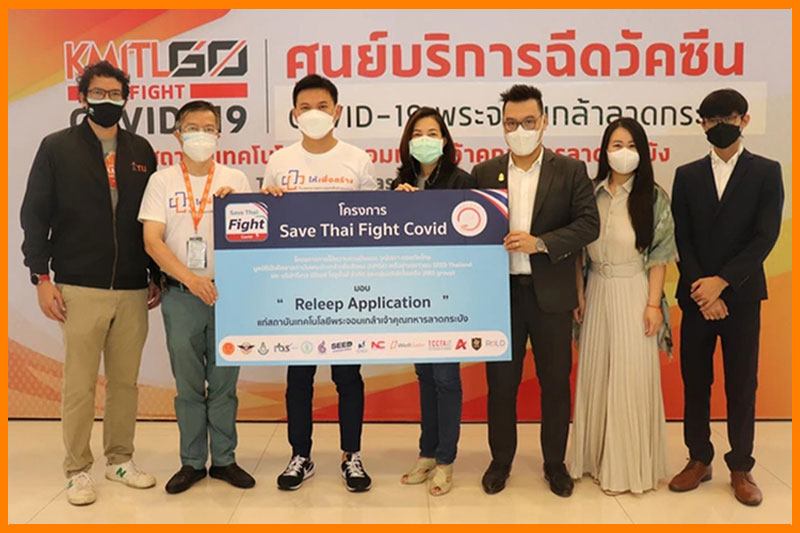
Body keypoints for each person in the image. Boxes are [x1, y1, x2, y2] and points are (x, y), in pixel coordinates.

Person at [20, 60, 162, 506]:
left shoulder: (141, 150)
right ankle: (77, 469)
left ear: (126, 99)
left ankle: (120, 459)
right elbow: (34, 215)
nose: (107, 101)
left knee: (125, 383)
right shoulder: (57, 147)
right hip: (79, 287)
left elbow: (153, 220)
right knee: (79, 385)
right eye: (98, 93)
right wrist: (41, 277)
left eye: (115, 94)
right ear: (83, 98)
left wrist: (154, 274)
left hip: (132, 288)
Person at [471, 85, 599, 496]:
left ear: (544, 121)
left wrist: (540, 243)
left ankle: (555, 463)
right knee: (501, 385)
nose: (520, 130)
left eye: (529, 122)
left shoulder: (571, 170)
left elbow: (588, 225)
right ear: (502, 125)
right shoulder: (485, 172)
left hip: (552, 295)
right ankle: (500, 461)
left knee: (555, 383)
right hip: (501, 296)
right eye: (512, 123)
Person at [260, 74, 378, 492]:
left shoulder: (357, 160)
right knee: (299, 377)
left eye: (323, 106)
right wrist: (268, 202)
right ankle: (301, 455)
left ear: (337, 111)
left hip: (346, 287)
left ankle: (352, 455)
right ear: (294, 114)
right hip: (297, 288)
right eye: (306, 107)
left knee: (348, 376)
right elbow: (267, 227)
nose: (314, 114)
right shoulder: (280, 161)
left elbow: (375, 222)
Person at [669, 89, 783, 506]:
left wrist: (723, 283)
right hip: (697, 296)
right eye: (712, 121)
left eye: (728, 119)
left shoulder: (766, 171)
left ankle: (741, 465)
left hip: (742, 296)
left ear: (744, 120)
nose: (720, 127)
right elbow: (681, 236)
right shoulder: (686, 175)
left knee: (742, 383)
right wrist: (704, 288)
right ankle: (698, 458)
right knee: (695, 379)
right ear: (702, 124)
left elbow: (764, 237)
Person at [139, 100, 255, 494]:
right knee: (188, 386)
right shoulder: (162, 181)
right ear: (178, 134)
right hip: (182, 295)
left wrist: (237, 206)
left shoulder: (236, 179)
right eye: (192, 128)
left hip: (228, 294)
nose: (201, 135)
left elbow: (256, 235)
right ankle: (191, 462)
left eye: (208, 128)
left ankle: (224, 460)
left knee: (224, 385)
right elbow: (152, 241)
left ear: (219, 135)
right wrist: (191, 280)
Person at [568, 117, 677, 494]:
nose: (623, 152)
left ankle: (626, 470)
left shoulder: (654, 197)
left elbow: (660, 255)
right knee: (597, 375)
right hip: (596, 289)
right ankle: (593, 461)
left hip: (635, 291)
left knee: (629, 380)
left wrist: (652, 305)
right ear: (604, 151)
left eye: (631, 145)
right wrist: (579, 294)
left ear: (642, 152)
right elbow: (578, 249)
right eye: (616, 145)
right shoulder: (590, 193)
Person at [392, 107, 476, 496]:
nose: (424, 140)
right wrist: (397, 205)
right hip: (413, 295)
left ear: (444, 140)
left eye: (432, 133)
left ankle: (446, 460)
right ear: (407, 141)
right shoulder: (401, 182)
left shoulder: (461, 181)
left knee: (445, 378)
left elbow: (471, 237)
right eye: (417, 133)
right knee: (425, 375)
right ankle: (427, 452)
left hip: (449, 294)